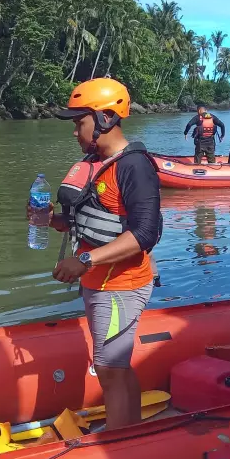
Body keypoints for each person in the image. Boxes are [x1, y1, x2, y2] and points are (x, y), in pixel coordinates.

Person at [46, 77, 163, 431]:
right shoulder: (95, 163)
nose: (74, 131)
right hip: (99, 281)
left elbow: (145, 233)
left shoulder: (134, 166)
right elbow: (91, 223)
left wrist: (83, 262)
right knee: (116, 368)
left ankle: (120, 442)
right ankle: (129, 433)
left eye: (79, 121)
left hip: (120, 286)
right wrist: (51, 220)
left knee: (110, 369)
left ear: (106, 119)